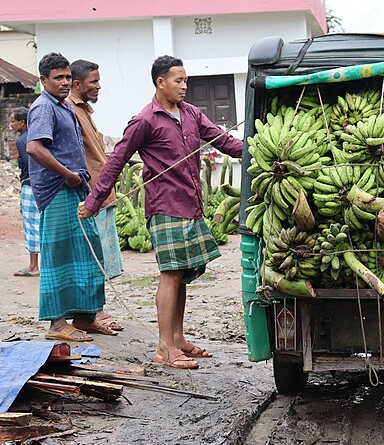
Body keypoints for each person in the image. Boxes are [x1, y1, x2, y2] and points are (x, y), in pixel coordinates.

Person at [79, 55, 243, 369]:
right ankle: (164, 349)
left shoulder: (192, 114)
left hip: (191, 206)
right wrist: (93, 202)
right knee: (169, 275)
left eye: (186, 81)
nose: (184, 87)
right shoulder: (145, 120)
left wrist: (257, 148)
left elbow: (225, 143)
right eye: (178, 81)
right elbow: (115, 163)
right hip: (165, 207)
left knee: (180, 276)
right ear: (160, 82)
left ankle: (178, 339)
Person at [26, 53, 106, 342]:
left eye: (66, 77)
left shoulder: (64, 106)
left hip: (75, 189)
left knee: (87, 251)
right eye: (57, 77)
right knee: (59, 256)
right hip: (57, 191)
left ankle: (85, 316)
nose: (64, 82)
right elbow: (34, 148)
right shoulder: (43, 107)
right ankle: (57, 324)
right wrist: (66, 174)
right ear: (43, 80)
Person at [68, 59, 125, 333]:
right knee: (93, 256)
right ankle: (95, 312)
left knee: (101, 257)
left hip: (102, 193)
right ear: (77, 84)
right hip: (91, 196)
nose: (98, 86)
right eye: (94, 82)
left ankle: (96, 310)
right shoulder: (70, 110)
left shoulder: (85, 111)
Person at [10, 107, 40, 277]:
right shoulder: (36, 135)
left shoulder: (22, 140)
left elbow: (30, 165)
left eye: (13, 121)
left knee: (31, 225)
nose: (10, 125)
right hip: (41, 185)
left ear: (22, 122)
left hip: (30, 185)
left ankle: (34, 266)